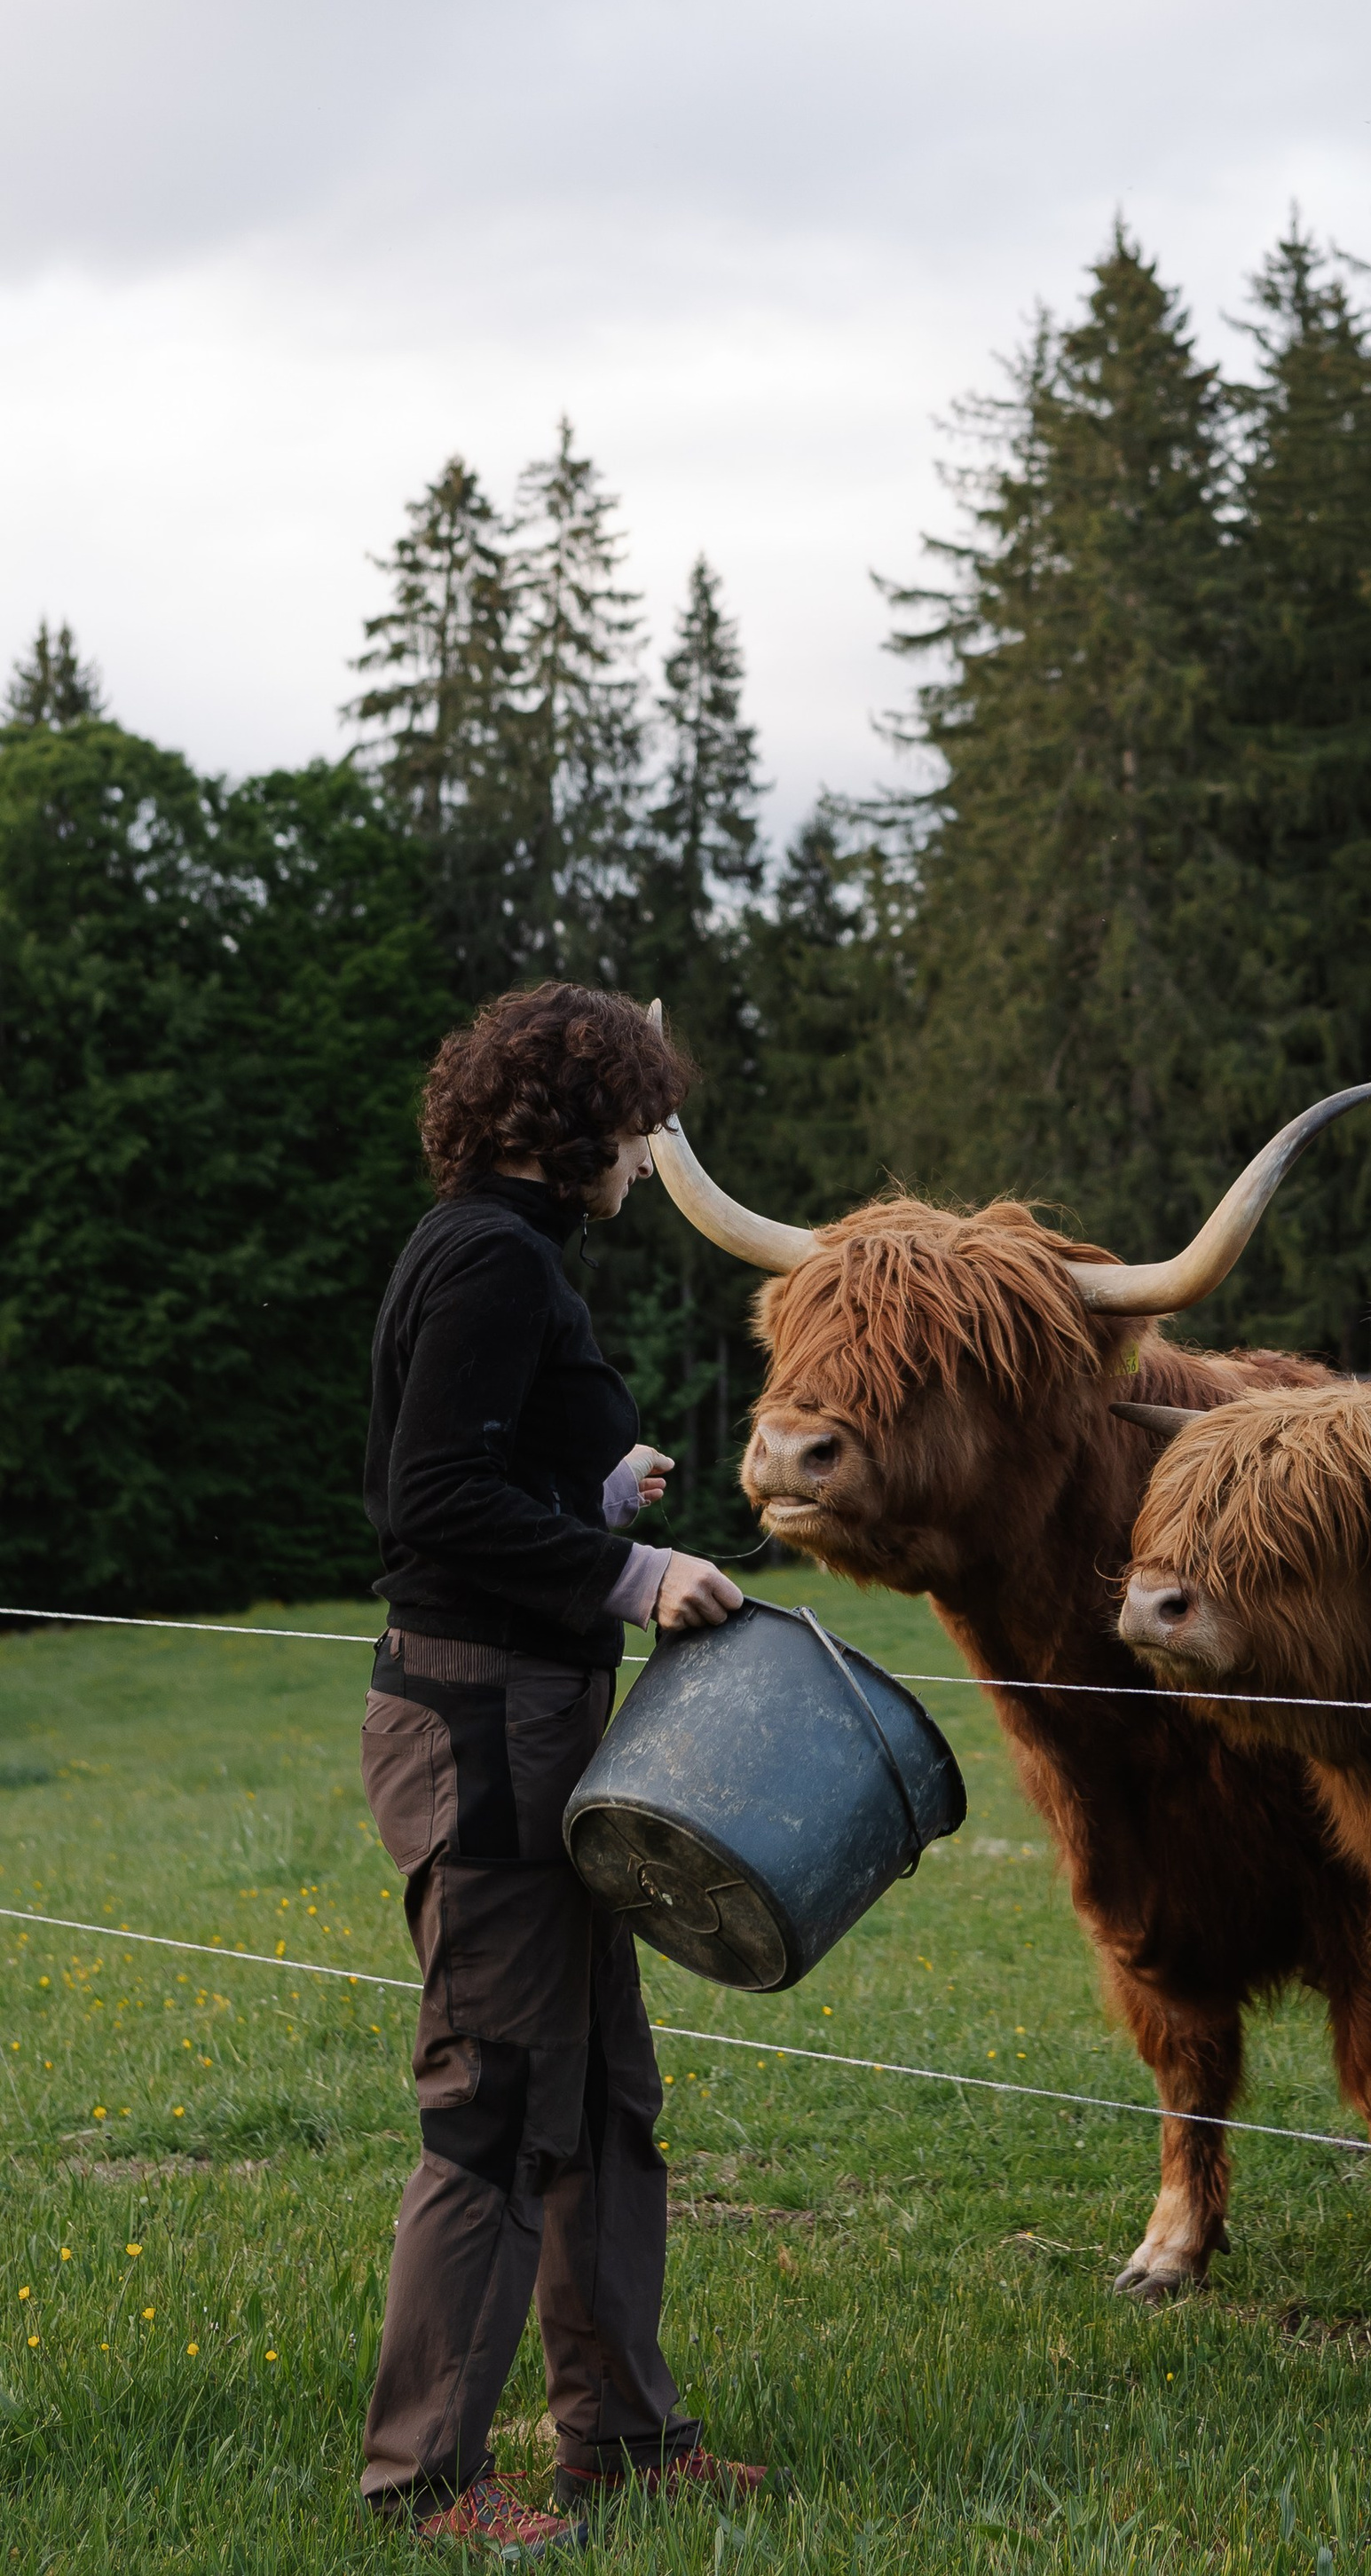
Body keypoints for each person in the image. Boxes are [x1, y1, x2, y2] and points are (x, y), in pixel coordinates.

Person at [359, 982, 760, 2551]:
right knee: (497, 2098)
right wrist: (631, 1574)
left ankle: (625, 2439)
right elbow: (425, 1501)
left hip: (539, 1716)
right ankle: (426, 2483)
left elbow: (473, 1475)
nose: (648, 1160)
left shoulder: (491, 1249)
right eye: (641, 1128)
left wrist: (586, 1496)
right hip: (484, 1727)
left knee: (601, 2092)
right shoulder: (492, 1256)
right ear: (578, 1124)